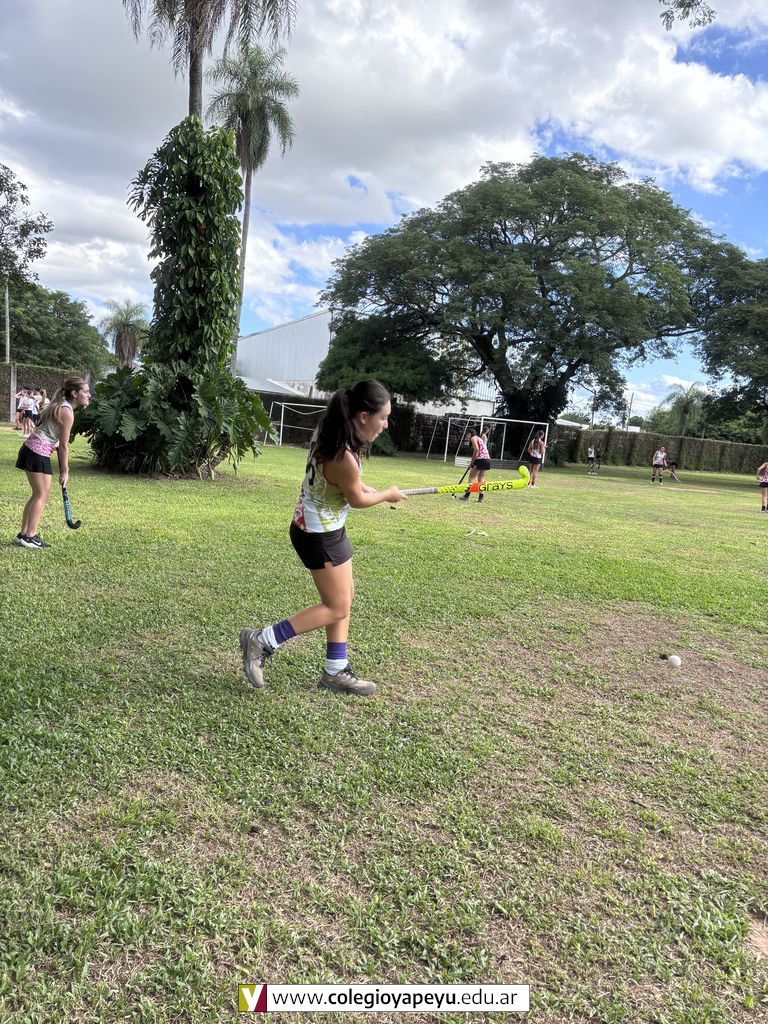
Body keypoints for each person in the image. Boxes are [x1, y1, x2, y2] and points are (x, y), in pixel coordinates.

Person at [239, 380, 407, 697]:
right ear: (363, 416)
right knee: (336, 606)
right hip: (318, 535)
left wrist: (362, 485)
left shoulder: (331, 431)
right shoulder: (344, 455)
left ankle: (335, 670)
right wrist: (388, 494)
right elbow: (356, 499)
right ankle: (262, 640)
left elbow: (336, 483)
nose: (385, 425)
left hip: (326, 528)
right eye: (383, 418)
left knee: (344, 599)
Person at [13, 376, 91, 549]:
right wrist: (65, 471)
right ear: (74, 393)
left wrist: (53, 446)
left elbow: (52, 435)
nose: (89, 395)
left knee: (37, 494)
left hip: (31, 450)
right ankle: (30, 536)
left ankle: (24, 534)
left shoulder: (61, 405)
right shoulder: (67, 412)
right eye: (86, 392)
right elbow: (63, 446)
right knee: (41, 495)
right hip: (37, 453)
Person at [460, 428, 492, 502]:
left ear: (469, 434)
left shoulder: (473, 438)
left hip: (480, 459)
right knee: (481, 479)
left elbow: (477, 449)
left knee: (471, 478)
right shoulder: (478, 438)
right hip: (487, 459)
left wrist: (472, 462)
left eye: (467, 435)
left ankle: (466, 496)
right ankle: (481, 498)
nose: (467, 436)